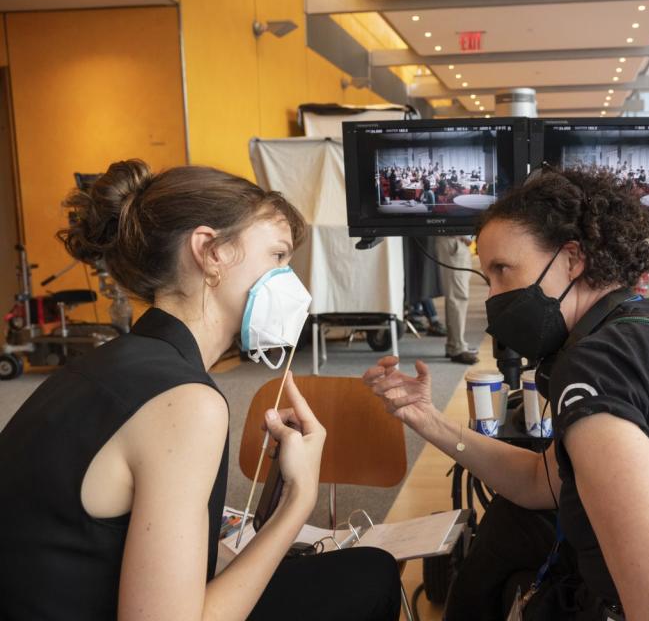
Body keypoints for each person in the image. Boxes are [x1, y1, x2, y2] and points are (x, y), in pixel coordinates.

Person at [363, 169, 649, 621]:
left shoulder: (596, 367)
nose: (495, 296)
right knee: (513, 518)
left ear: (572, 260)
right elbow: (542, 483)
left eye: (502, 271)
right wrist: (427, 419)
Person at [0, 160, 400, 620]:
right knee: (371, 576)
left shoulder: (104, 364)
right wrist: (298, 502)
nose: (290, 280)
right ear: (211, 252)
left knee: (358, 572)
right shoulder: (187, 401)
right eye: (277, 256)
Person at [436, 235, 479, 364]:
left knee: (456, 294)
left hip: (457, 239)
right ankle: (457, 347)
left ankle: (454, 344)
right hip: (453, 238)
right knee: (458, 295)